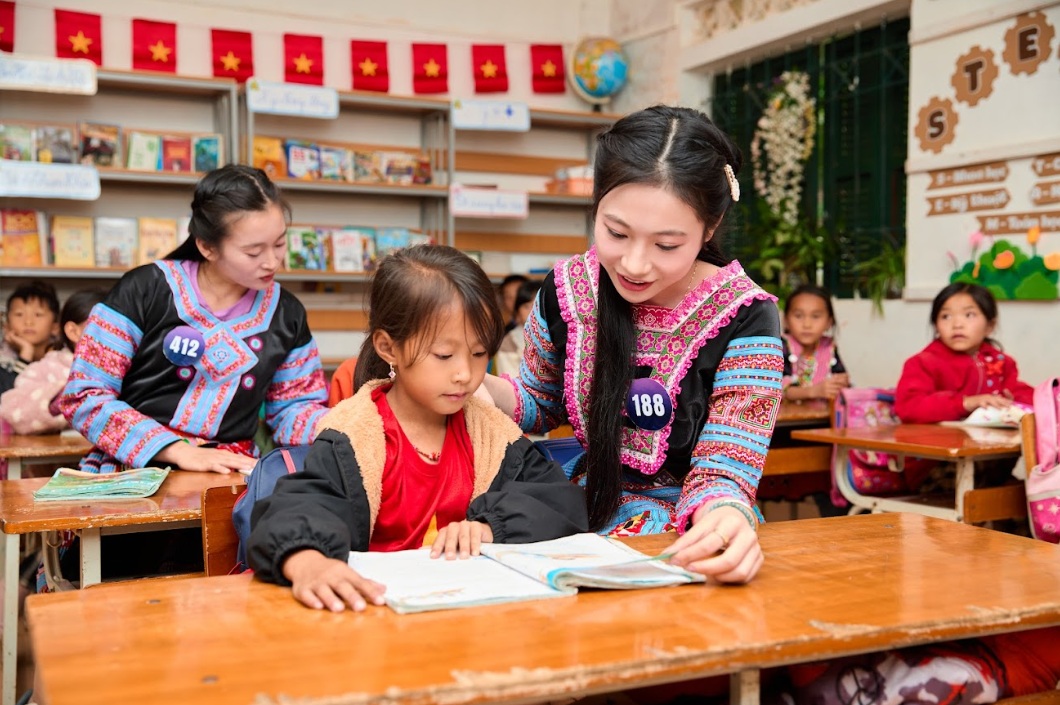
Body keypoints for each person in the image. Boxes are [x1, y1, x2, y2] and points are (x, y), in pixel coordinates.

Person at [481, 105, 785, 585]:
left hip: (685, 529)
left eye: (666, 245)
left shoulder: (745, 316)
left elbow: (726, 465)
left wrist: (725, 515)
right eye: (616, 233)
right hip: (577, 511)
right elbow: (541, 403)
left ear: (709, 228)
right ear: (596, 204)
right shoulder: (564, 290)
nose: (635, 264)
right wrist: (478, 386)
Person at [248, 245, 588, 612]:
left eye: (478, 354)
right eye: (444, 355)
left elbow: (560, 502)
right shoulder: (355, 437)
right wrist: (309, 563)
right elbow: (297, 510)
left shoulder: (491, 433)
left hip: (472, 619)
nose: (465, 373)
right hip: (375, 620)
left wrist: (492, 527)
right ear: (387, 348)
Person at [58, 164, 329, 475]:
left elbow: (292, 411)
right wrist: (175, 450)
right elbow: (85, 395)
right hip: (132, 470)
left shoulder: (287, 313)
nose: (272, 261)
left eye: (280, 244)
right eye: (254, 252)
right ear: (207, 246)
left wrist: (344, 423)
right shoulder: (145, 290)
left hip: (233, 475)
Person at [895, 282, 1033, 423]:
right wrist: (965, 403)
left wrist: (1014, 403)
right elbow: (908, 407)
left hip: (989, 442)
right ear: (936, 326)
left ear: (990, 326)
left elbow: (1018, 393)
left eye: (969, 315)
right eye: (946, 316)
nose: (957, 325)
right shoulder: (922, 363)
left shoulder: (1002, 363)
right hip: (939, 442)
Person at [0, 289, 105, 435]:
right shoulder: (49, 368)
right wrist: (57, 402)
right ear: (73, 332)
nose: (28, 322)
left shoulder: (130, 368)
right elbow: (10, 410)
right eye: (104, 328)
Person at [781, 284, 850, 401]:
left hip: (823, 417)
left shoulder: (829, 347)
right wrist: (813, 391)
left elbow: (840, 377)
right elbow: (773, 390)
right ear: (786, 320)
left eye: (816, 316)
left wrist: (841, 381)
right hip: (785, 418)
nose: (807, 324)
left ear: (829, 322)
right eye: (798, 316)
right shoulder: (779, 347)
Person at [0, 281, 62, 396]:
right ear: (6, 326)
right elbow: (8, 401)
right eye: (19, 314)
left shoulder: (64, 360)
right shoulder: (2, 361)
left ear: (55, 326)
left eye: (38, 314)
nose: (28, 322)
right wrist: (25, 354)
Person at [493, 278, 542, 378]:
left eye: (538, 305)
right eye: (527, 306)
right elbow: (510, 383)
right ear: (517, 312)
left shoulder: (562, 336)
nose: (533, 311)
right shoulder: (509, 343)